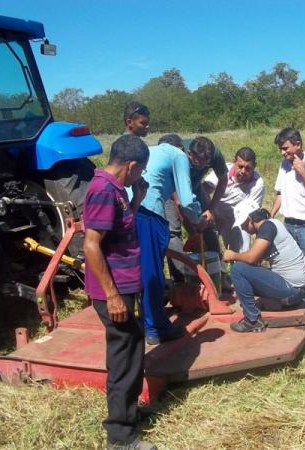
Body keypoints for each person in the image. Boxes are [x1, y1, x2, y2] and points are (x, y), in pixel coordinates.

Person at [83, 135, 156, 450]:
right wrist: (112, 295)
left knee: (131, 347)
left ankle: (127, 413)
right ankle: (119, 436)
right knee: (124, 357)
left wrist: (136, 199)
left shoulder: (118, 191)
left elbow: (119, 229)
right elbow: (92, 244)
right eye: (140, 172)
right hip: (113, 290)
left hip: (125, 286)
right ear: (132, 165)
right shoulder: (102, 191)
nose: (139, 176)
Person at [135, 134, 208, 346]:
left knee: (138, 270)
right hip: (149, 213)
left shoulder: (151, 151)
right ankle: (156, 329)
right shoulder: (178, 155)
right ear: (181, 149)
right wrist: (199, 219)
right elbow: (185, 199)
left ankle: (143, 321)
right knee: (153, 273)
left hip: (129, 208)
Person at [223, 200, 305, 332]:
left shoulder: (267, 228)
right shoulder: (272, 224)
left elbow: (252, 258)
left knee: (237, 269)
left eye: (243, 224)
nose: (242, 228)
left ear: (250, 219)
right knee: (245, 276)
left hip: (293, 290)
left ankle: (252, 320)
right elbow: (256, 262)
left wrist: (233, 255)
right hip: (299, 288)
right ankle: (271, 305)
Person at [270, 127, 305, 305]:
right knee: (296, 269)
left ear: (298, 144)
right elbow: (279, 193)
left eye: (285, 148)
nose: (282, 152)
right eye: (281, 148)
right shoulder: (284, 165)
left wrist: (302, 171)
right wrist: (271, 216)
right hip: (288, 225)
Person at [164, 136, 228, 280]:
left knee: (208, 225)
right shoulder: (178, 155)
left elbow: (223, 181)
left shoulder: (215, 155)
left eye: (205, 163)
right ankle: (181, 280)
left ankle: (218, 275)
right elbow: (179, 202)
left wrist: (210, 210)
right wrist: (193, 233)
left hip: (195, 185)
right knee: (173, 233)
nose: (201, 166)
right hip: (171, 189)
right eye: (196, 163)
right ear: (190, 154)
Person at [203, 146, 265, 253]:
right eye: (240, 166)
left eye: (248, 168)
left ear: (254, 166)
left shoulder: (258, 183)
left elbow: (251, 213)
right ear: (233, 162)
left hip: (241, 218)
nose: (243, 171)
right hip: (216, 213)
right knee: (209, 248)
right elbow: (204, 190)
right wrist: (211, 212)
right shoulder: (223, 171)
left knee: (241, 252)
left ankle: (239, 266)